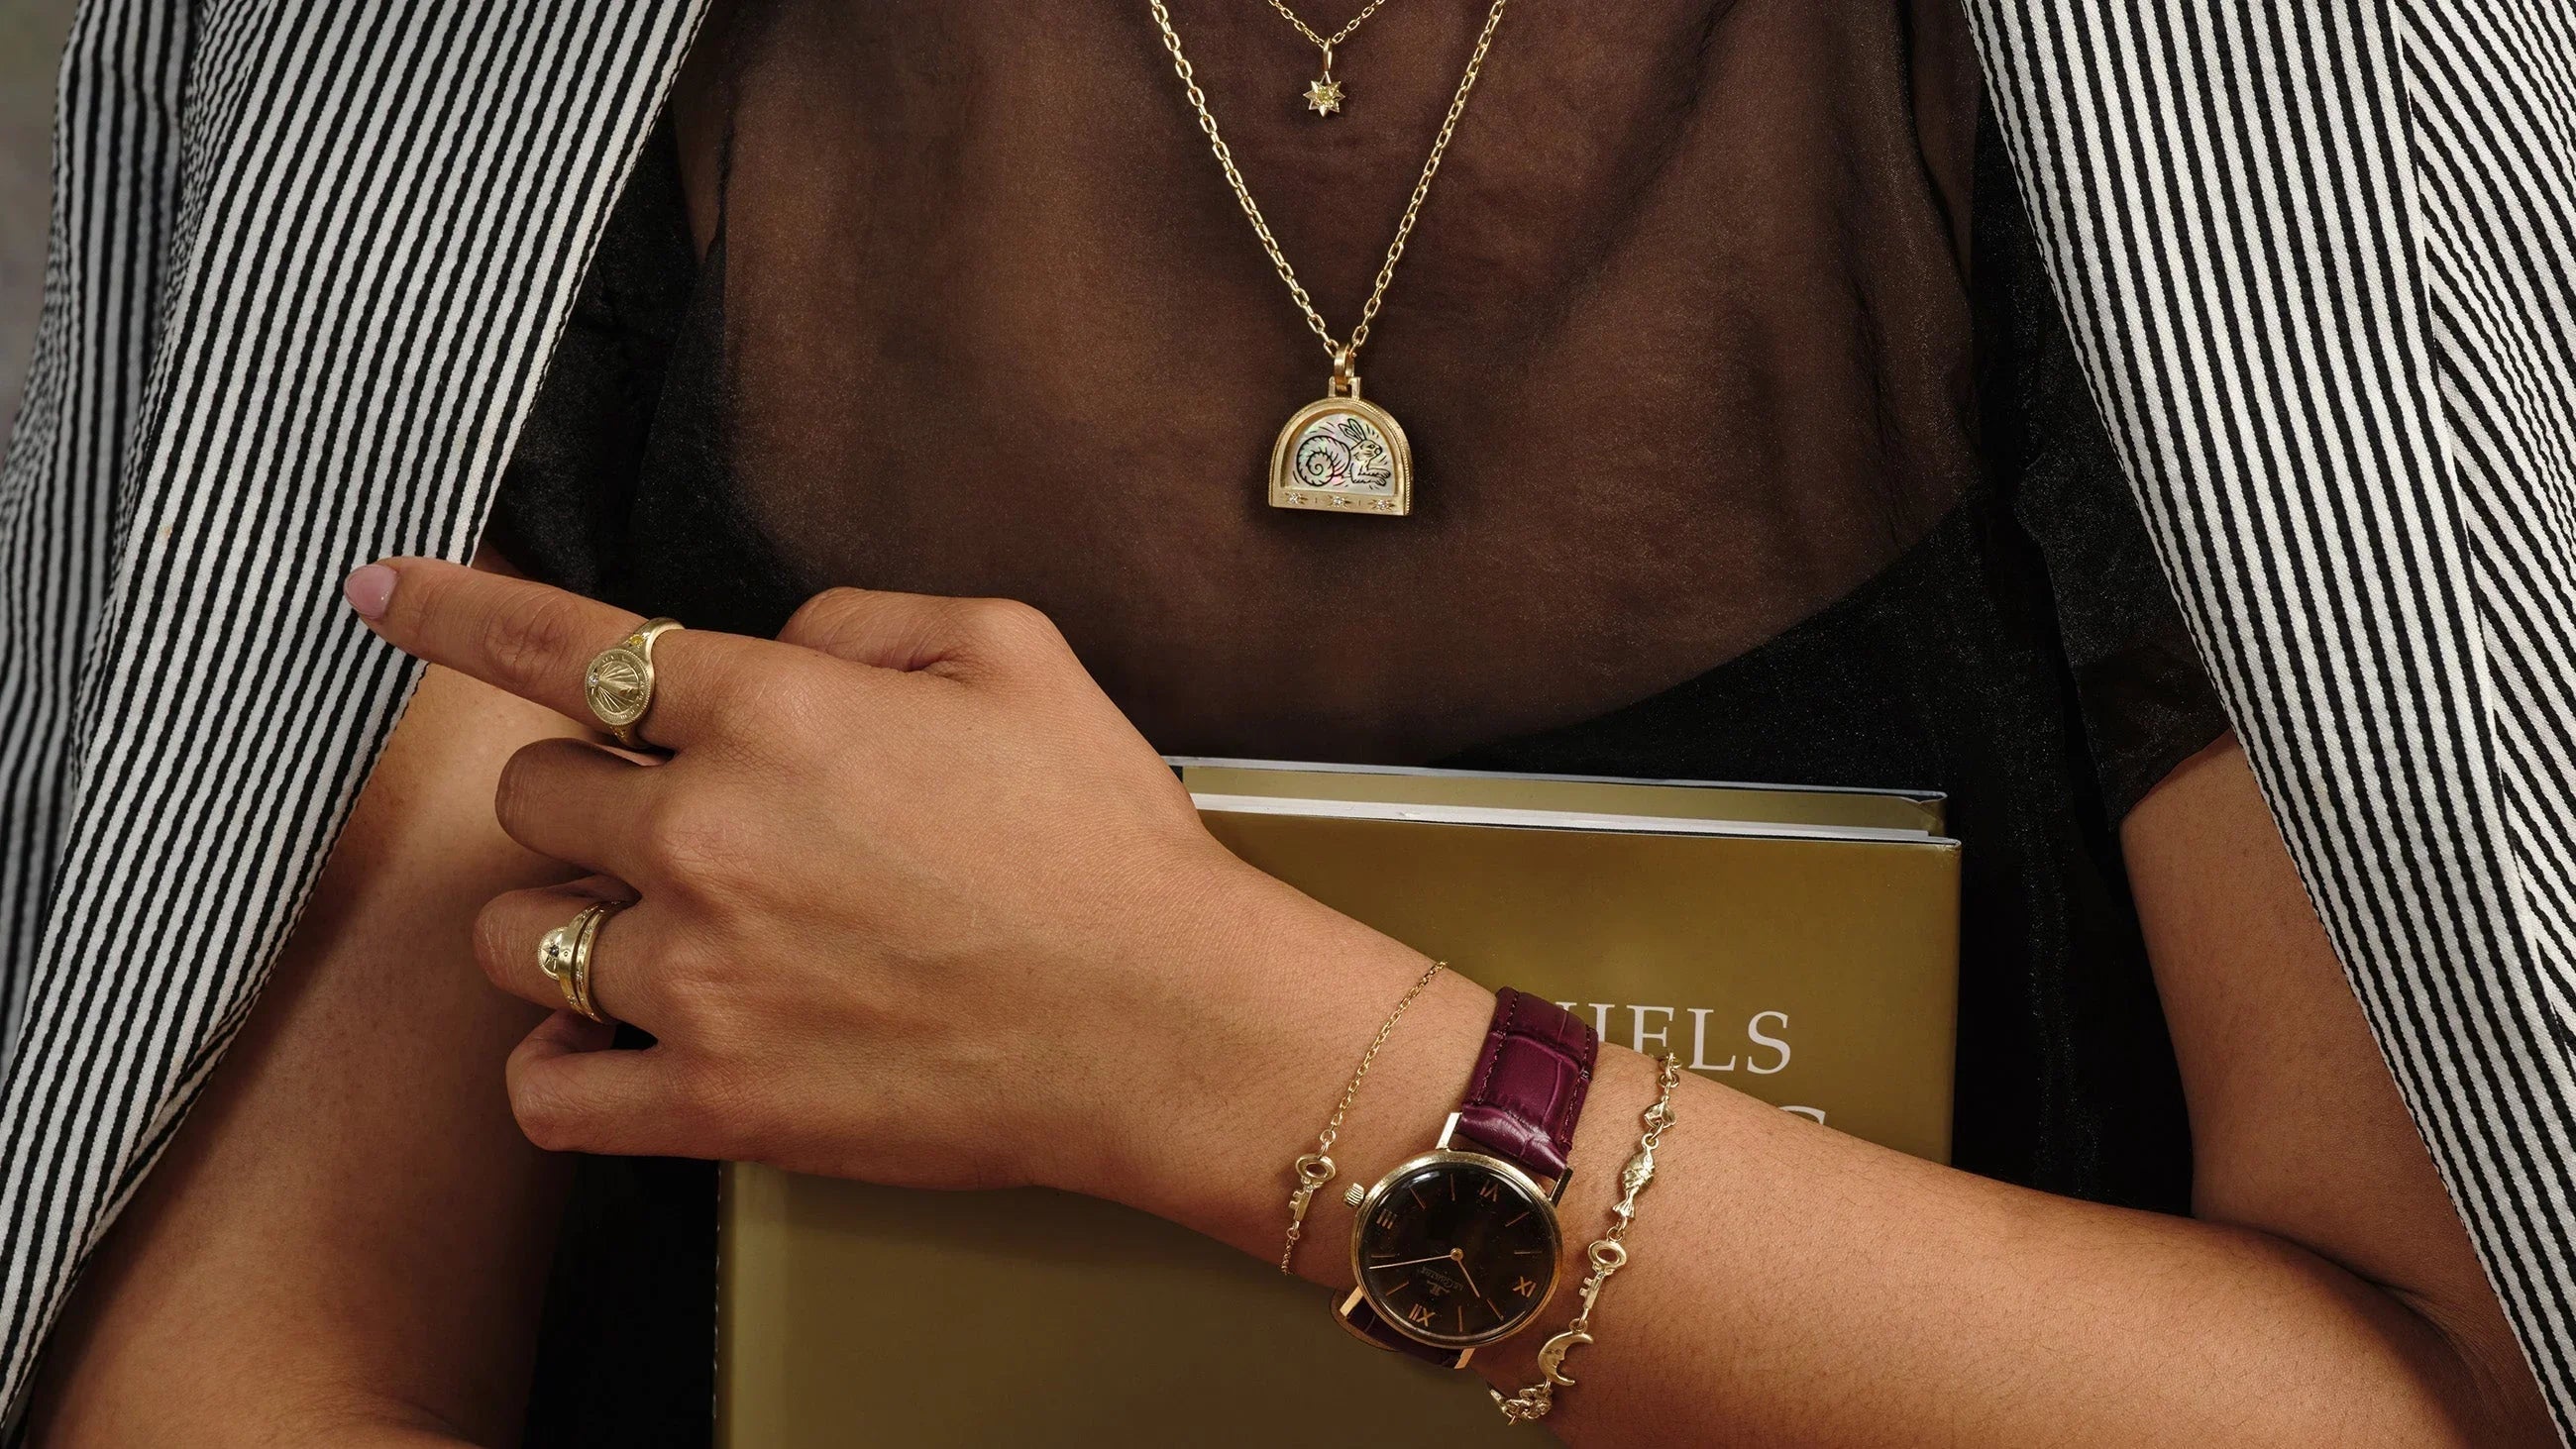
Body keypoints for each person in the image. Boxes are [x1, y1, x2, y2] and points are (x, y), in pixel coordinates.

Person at [8, 0, 2569, 1444]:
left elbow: (2440, 1399)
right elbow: (245, 1377)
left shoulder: (2287, 81)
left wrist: (1250, 1077)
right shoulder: (430, 66)